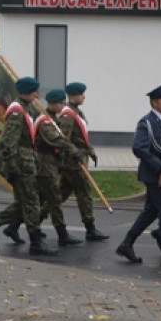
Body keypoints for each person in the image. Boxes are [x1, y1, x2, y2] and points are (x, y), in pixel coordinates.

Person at [0, 76, 56, 256]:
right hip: (21, 164)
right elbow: (8, 141)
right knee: (32, 203)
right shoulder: (16, 112)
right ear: (26, 92)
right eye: (34, 91)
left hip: (27, 162)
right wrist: (11, 166)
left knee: (24, 203)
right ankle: (36, 242)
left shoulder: (25, 109)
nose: (37, 95)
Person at [116, 84, 161, 267]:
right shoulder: (146, 123)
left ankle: (126, 244)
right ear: (154, 102)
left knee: (150, 213)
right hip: (153, 175)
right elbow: (138, 148)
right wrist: (158, 166)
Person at [58, 81, 109, 242]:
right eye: (82, 94)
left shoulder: (77, 112)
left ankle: (28, 221)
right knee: (84, 194)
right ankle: (90, 229)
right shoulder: (68, 114)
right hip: (74, 162)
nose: (84, 97)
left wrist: (91, 152)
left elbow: (82, 137)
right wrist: (72, 154)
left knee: (58, 196)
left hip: (78, 158)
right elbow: (63, 138)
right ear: (74, 96)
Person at [34, 89, 84, 247]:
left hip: (52, 163)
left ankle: (18, 226)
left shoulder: (53, 118)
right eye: (61, 103)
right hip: (44, 163)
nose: (63, 106)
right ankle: (61, 234)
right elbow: (54, 138)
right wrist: (72, 149)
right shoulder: (45, 120)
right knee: (53, 198)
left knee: (45, 199)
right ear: (53, 104)